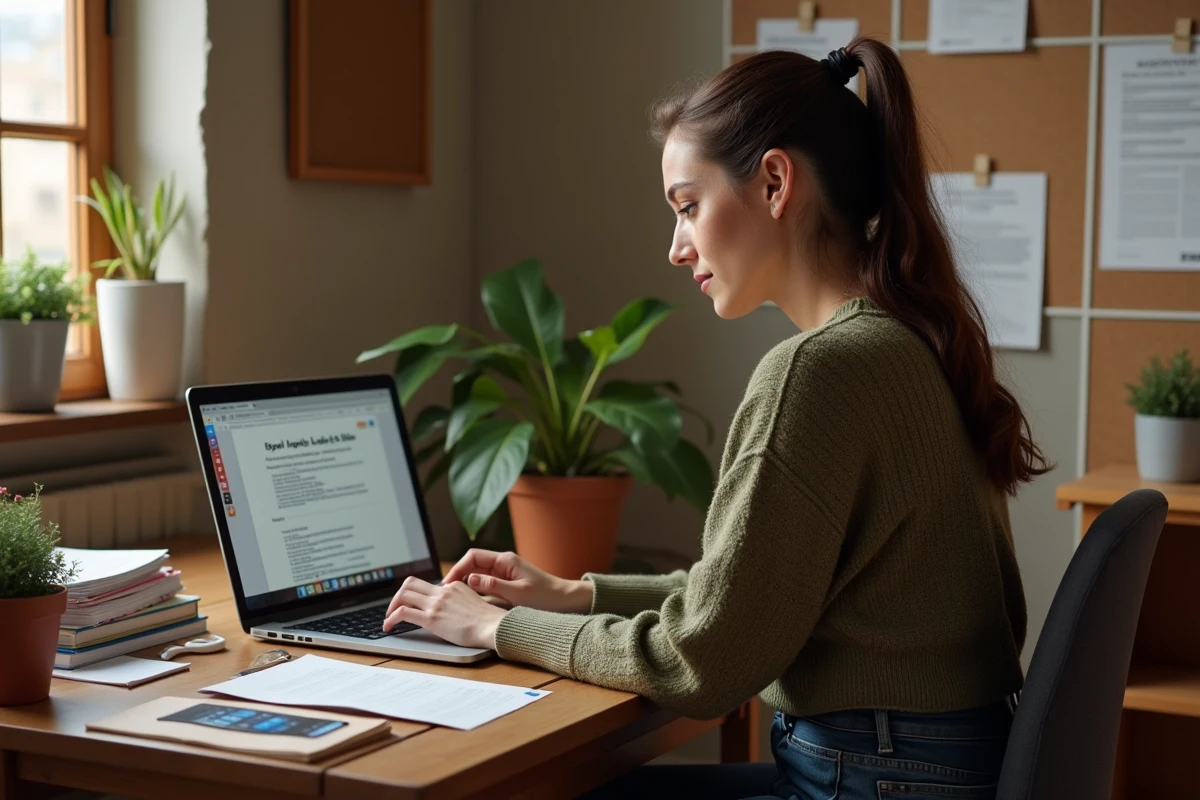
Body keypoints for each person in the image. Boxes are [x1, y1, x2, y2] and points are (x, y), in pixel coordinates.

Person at [382, 36, 1050, 800]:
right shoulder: (904, 342)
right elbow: (747, 600)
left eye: (688, 206)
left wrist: (491, 627)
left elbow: (700, 663)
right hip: (920, 764)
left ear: (773, 182)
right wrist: (576, 594)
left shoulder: (818, 371)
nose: (676, 247)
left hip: (875, 776)